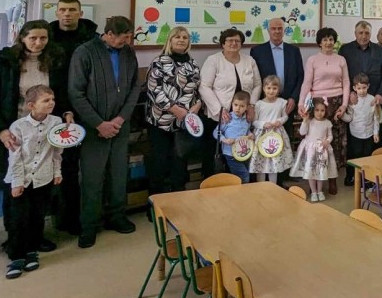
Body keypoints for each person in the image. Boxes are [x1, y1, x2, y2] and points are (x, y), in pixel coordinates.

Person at [0, 20, 67, 252]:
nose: (38, 43)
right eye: (33, 38)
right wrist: (0, 130)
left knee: (41, 188)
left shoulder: (55, 61)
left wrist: (66, 114)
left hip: (45, 132)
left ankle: (36, 236)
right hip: (14, 133)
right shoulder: (4, 62)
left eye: (43, 38)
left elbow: (61, 95)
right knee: (16, 187)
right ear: (22, 38)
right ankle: (15, 238)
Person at [69, 16, 140, 249]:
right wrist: (99, 124)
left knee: (119, 175)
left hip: (120, 125)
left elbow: (134, 88)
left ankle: (116, 216)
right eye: (123, 37)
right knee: (92, 178)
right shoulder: (84, 52)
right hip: (94, 128)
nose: (126, 42)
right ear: (108, 34)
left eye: (129, 37)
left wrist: (120, 119)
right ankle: (89, 225)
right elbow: (76, 93)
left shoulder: (128, 53)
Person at [47, 0, 97, 236]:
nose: (67, 14)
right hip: (53, 108)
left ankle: (79, 217)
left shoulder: (91, 39)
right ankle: (59, 216)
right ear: (57, 12)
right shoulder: (47, 38)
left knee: (80, 166)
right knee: (57, 164)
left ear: (80, 13)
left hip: (85, 108)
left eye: (72, 10)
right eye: (63, 10)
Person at [3, 85, 62, 279]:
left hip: (43, 178)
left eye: (52, 99)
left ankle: (31, 251)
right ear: (31, 105)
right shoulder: (18, 126)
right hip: (22, 179)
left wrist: (57, 172)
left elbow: (57, 151)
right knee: (19, 219)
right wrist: (17, 182)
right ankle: (16, 257)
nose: (51, 103)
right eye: (46, 100)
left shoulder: (56, 122)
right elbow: (15, 157)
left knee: (38, 216)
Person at [144, 26, 200, 194]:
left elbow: (198, 89)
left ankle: (178, 198)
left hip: (184, 124)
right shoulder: (159, 62)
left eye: (185, 37)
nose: (181, 40)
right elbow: (154, 90)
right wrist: (175, 109)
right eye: (177, 37)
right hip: (161, 122)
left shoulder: (193, 64)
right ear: (170, 40)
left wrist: (197, 105)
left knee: (179, 164)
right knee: (159, 164)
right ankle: (156, 202)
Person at [203, 28, 262, 178]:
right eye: (229, 40)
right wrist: (219, 110)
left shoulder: (249, 61)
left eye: (237, 40)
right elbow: (204, 86)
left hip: (243, 115)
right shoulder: (213, 60)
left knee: (243, 153)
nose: (234, 43)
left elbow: (257, 84)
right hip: (220, 116)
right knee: (217, 155)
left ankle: (242, 184)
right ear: (223, 43)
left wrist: (251, 105)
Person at [250, 18, 304, 181]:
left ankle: (281, 177)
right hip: (265, 104)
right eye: (273, 28)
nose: (277, 31)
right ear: (268, 30)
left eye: (280, 28)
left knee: (284, 140)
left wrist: (293, 98)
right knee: (265, 141)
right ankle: (263, 178)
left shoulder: (294, 50)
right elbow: (255, 79)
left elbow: (300, 76)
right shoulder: (257, 51)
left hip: (287, 103)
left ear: (284, 30)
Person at [299, 27, 350, 195]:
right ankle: (315, 177)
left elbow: (346, 83)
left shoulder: (341, 59)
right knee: (316, 142)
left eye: (331, 39)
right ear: (319, 42)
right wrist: (301, 103)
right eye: (325, 39)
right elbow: (307, 82)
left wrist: (344, 105)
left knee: (334, 142)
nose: (328, 42)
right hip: (318, 103)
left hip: (337, 103)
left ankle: (332, 179)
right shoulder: (312, 60)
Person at [338, 21, 382, 145]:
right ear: (355, 33)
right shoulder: (345, 49)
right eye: (360, 33)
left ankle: (376, 157)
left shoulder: (379, 50)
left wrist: (381, 93)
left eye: (367, 33)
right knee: (355, 139)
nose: (364, 36)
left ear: (371, 34)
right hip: (354, 100)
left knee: (377, 137)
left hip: (375, 99)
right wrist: (350, 93)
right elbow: (341, 76)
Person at [250, 76, 294, 183]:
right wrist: (263, 124)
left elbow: (285, 116)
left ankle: (273, 186)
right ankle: (261, 186)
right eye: (268, 88)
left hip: (276, 135)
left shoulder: (281, 102)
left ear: (278, 90)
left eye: (274, 88)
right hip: (262, 136)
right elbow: (254, 121)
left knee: (274, 161)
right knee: (261, 162)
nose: (271, 91)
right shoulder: (259, 104)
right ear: (264, 89)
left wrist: (280, 121)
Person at [291, 98, 336, 202]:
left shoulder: (327, 123)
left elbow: (330, 135)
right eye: (317, 110)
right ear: (313, 110)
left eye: (322, 110)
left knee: (320, 170)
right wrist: (304, 120)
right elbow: (302, 132)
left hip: (321, 150)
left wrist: (327, 141)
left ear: (326, 111)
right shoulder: (310, 121)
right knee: (311, 171)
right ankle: (313, 191)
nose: (319, 113)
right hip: (310, 150)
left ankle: (320, 191)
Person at [342, 73, 380, 185]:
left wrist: (376, 133)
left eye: (364, 88)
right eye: (359, 88)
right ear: (354, 88)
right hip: (356, 134)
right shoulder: (353, 101)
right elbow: (349, 118)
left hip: (369, 134)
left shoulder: (372, 99)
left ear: (368, 86)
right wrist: (341, 115)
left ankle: (366, 179)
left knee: (367, 156)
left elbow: (376, 117)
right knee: (356, 155)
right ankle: (354, 177)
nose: (362, 91)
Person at [216, 91, 253, 184]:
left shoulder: (247, 120)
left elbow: (246, 131)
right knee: (244, 175)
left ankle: (239, 190)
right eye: (235, 105)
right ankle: (244, 192)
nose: (238, 108)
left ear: (247, 107)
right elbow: (216, 132)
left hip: (244, 153)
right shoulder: (228, 118)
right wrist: (224, 140)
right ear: (232, 104)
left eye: (242, 106)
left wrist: (250, 134)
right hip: (230, 154)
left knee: (243, 174)